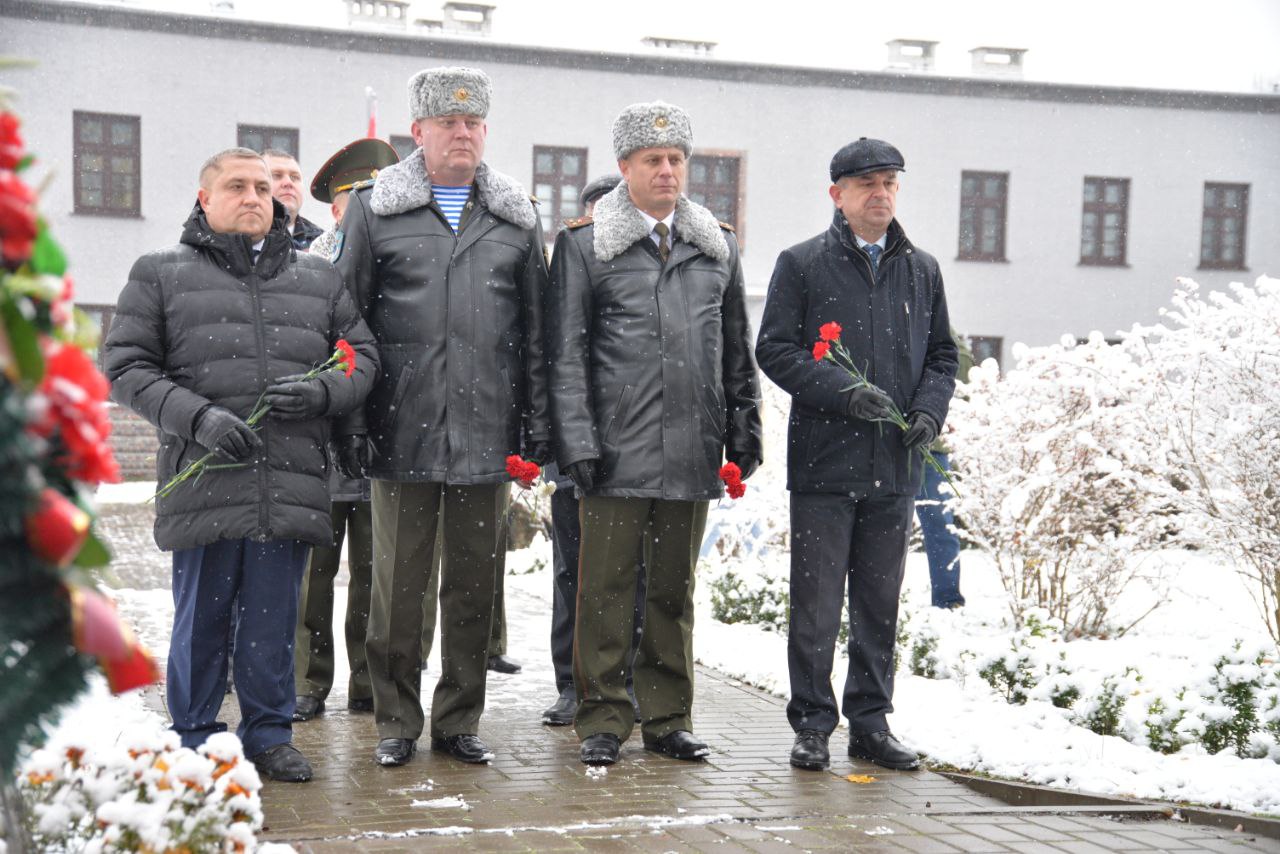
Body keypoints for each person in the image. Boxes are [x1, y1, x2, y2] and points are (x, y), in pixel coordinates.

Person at [103, 148, 378, 782]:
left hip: (288, 477)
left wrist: (323, 393)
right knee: (201, 616)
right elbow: (125, 366)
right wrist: (197, 419)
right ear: (205, 198)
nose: (254, 196)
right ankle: (197, 730)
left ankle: (269, 732)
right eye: (236, 186)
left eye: (262, 186)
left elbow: (360, 358)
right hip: (205, 478)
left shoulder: (318, 280)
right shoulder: (161, 273)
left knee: (273, 617)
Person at [334, 66, 550, 768]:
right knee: (397, 587)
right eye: (447, 122)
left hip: (487, 431)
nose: (462, 133)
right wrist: (354, 421)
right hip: (402, 427)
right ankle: (395, 718)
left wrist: (535, 426)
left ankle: (459, 719)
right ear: (417, 132)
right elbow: (348, 323)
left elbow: (536, 336)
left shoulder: (516, 218)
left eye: (473, 123)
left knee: (472, 587)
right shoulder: (375, 210)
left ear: (485, 132)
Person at [548, 101, 762, 766]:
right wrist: (577, 442)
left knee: (673, 592)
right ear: (625, 168)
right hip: (614, 453)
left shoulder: (714, 246)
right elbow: (566, 356)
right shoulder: (585, 247)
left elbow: (735, 348)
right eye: (653, 160)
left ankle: (668, 717)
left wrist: (744, 428)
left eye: (676, 160)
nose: (667, 171)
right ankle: (604, 719)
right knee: (604, 591)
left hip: (690, 450)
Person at [756, 137, 958, 773]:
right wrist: (845, 393)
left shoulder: (922, 269)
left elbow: (942, 357)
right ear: (836, 194)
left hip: (894, 465)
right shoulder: (802, 264)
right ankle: (812, 724)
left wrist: (927, 412)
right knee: (815, 605)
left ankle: (870, 723)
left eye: (891, 183)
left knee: (879, 602)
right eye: (867, 183)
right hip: (825, 463)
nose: (881, 194)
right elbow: (777, 350)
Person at [293, 137, 399, 723]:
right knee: (314, 574)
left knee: (376, 577)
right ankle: (309, 680)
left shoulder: (406, 258)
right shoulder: (308, 269)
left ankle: (367, 681)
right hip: (320, 443)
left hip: (383, 437)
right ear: (339, 207)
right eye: (358, 199)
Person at [540, 173, 647, 729]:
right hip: (578, 457)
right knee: (574, 576)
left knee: (638, 578)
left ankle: (628, 681)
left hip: (640, 455)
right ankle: (571, 683)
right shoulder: (570, 265)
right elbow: (557, 359)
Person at [913, 330, 973, 610]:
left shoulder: (943, 340)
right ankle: (948, 601)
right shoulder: (954, 344)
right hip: (932, 443)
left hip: (924, 445)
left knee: (936, 525)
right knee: (939, 525)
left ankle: (948, 601)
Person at [265, 148, 324, 249]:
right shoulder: (242, 238)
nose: (288, 182)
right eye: (276, 176)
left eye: (295, 177)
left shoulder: (321, 242)